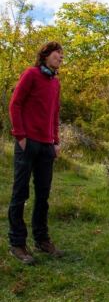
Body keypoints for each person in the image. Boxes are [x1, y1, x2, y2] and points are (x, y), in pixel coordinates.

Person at [8, 41, 65, 265]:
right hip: (27, 143)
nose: (61, 57)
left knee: (43, 196)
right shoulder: (31, 74)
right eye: (57, 53)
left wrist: (56, 141)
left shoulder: (55, 83)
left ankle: (42, 240)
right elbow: (15, 104)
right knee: (20, 194)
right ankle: (17, 244)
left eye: (62, 54)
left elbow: (54, 114)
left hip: (47, 146)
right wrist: (20, 135)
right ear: (45, 55)